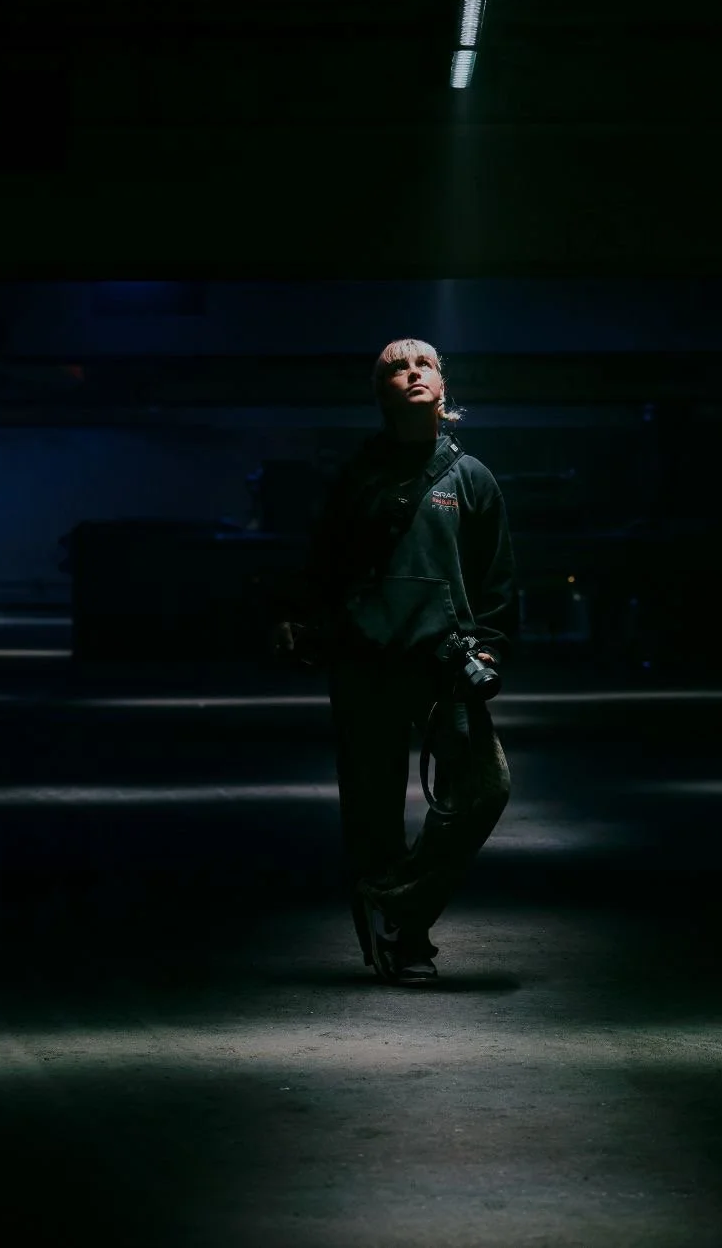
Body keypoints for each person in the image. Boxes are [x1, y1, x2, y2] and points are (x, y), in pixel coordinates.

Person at [270, 337, 518, 985]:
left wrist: (488, 649)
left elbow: (498, 583)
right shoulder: (356, 478)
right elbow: (321, 566)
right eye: (396, 369)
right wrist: (301, 624)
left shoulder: (472, 479)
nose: (411, 373)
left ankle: (394, 900)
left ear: (442, 385)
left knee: (484, 790)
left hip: (443, 666)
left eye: (423, 365)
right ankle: (406, 943)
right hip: (365, 663)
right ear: (381, 392)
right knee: (373, 812)